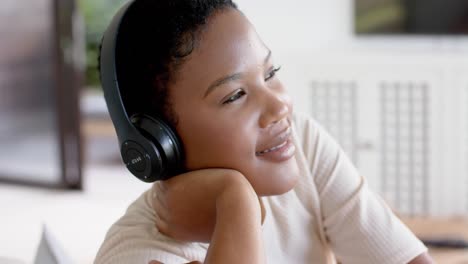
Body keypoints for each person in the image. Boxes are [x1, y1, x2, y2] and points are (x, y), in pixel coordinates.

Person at [94, 0, 434, 263]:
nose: (280, 107)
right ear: (157, 142)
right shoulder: (136, 255)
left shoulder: (297, 143)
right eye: (235, 95)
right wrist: (235, 201)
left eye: (270, 73)